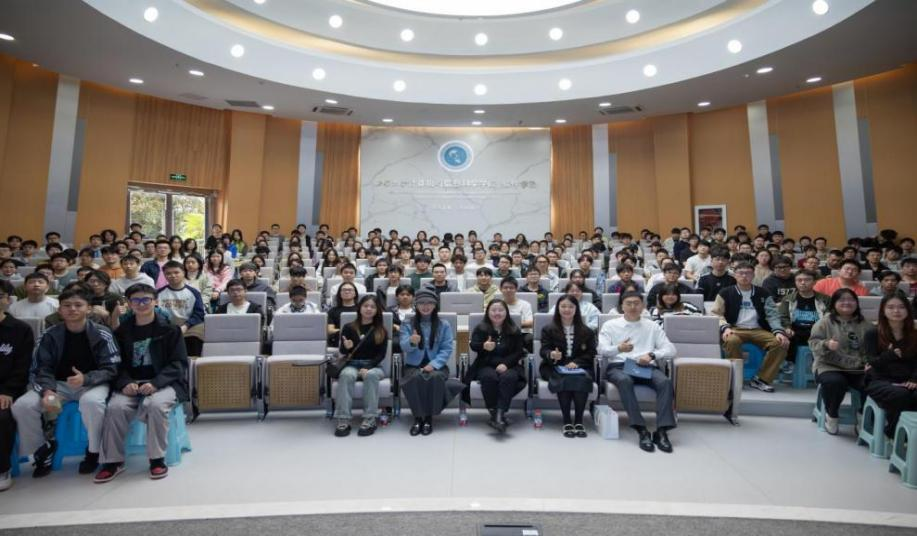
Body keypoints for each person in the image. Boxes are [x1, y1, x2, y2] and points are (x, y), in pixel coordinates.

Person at [11, 286, 120, 478]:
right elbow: (40, 367)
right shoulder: (49, 335)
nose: (72, 309)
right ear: (59, 310)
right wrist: (48, 390)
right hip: (58, 387)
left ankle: (94, 451)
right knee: (23, 406)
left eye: (78, 305)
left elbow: (112, 367)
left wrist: (86, 378)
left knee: (91, 403)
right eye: (67, 305)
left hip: (92, 385)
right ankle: (42, 450)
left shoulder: (102, 333)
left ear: (88, 308)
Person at [91, 284, 189, 483]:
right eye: (136, 300)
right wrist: (125, 382)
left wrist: (156, 383)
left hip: (164, 383)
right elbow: (115, 364)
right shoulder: (121, 332)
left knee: (155, 405)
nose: (141, 304)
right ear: (129, 304)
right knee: (115, 408)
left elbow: (178, 364)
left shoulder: (170, 330)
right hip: (132, 384)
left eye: (146, 300)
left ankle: (156, 459)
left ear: (155, 302)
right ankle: (113, 462)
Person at [599, 291, 677, 452]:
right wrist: (618, 348)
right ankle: (641, 429)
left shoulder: (652, 326)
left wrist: (652, 355)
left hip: (646, 366)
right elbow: (602, 350)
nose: (633, 307)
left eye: (636, 303)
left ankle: (661, 431)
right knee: (624, 380)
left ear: (643, 306)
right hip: (619, 366)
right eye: (629, 303)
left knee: (665, 382)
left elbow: (670, 349)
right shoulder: (610, 325)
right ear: (622, 306)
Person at [711, 262, 789, 393]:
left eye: (748, 273)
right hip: (735, 329)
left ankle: (761, 379)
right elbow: (716, 313)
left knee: (780, 343)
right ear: (735, 275)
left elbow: (772, 314)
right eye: (741, 273)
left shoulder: (763, 293)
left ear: (753, 275)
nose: (744, 276)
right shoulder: (725, 292)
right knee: (732, 341)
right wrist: (725, 327)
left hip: (758, 330)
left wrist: (778, 331)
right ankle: (735, 378)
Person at [398, 288, 461, 436]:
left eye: (429, 303)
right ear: (416, 305)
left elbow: (446, 348)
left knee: (434, 377)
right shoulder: (407, 324)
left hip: (437, 366)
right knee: (415, 378)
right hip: (413, 365)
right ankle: (418, 418)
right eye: (421, 303)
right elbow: (403, 347)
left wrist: (433, 364)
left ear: (435, 305)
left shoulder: (443, 324)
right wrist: (412, 342)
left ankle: (427, 418)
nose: (425, 306)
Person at [807, 288, 869, 435]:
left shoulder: (866, 324)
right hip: (829, 365)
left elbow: (872, 348)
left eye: (851, 300)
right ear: (834, 303)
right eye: (842, 300)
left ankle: (862, 416)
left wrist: (869, 362)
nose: (846, 303)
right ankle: (832, 415)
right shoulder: (824, 322)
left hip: (858, 367)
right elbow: (813, 343)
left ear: (857, 303)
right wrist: (826, 344)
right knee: (834, 382)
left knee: (872, 383)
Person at [464, 299, 526, 432]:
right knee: (489, 377)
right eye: (493, 310)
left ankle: (497, 415)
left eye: (500, 310)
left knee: (509, 378)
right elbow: (473, 345)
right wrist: (483, 346)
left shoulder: (514, 329)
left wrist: (505, 364)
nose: (497, 313)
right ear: (488, 312)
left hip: (509, 365)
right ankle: (498, 415)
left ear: (506, 312)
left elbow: (519, 351)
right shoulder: (481, 328)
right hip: (485, 364)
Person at [539, 294, 596, 438]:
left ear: (576, 309)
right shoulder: (548, 329)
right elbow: (543, 350)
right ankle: (566, 421)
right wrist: (552, 354)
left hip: (580, 366)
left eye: (570, 307)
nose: (567, 309)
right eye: (563, 306)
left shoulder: (587, 331)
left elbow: (591, 353)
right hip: (554, 366)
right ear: (558, 308)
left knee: (580, 378)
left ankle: (579, 421)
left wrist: (577, 363)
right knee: (564, 377)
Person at [332, 295, 388, 438]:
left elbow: (381, 355)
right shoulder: (349, 327)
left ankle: (370, 419)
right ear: (360, 308)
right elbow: (344, 352)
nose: (368, 309)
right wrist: (346, 347)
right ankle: (343, 420)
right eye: (365, 306)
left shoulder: (381, 330)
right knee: (346, 375)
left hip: (374, 365)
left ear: (377, 310)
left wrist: (368, 367)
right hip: (352, 364)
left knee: (371, 375)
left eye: (372, 307)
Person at [864, 292, 917, 439]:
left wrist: (914, 379)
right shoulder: (873, 333)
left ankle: (910, 436)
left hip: (908, 379)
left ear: (908, 310)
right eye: (891, 307)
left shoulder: (914, 334)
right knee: (900, 394)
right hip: (880, 380)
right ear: (883, 310)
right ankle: (894, 435)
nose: (896, 311)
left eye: (901, 307)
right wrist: (889, 355)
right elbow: (872, 362)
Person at [0, 280, 33, 490]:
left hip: (8, 390)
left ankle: (2, 468)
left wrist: (7, 391)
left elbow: (23, 367)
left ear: (8, 300)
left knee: (2, 417)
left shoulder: (20, 330)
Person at [156, 261, 207, 357]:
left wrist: (186, 326)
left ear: (183, 273)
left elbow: (199, 314)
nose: (173, 276)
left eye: (176, 272)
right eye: (168, 273)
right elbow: (155, 313)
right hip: (167, 327)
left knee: (194, 339)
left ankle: (192, 363)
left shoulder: (194, 292)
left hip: (190, 327)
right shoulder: (158, 293)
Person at [326, 282, 359, 346]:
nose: (347, 292)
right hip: (339, 340)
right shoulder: (332, 311)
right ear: (340, 293)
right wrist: (348, 330)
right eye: (344, 290)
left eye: (350, 290)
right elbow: (330, 330)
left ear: (355, 293)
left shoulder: (361, 309)